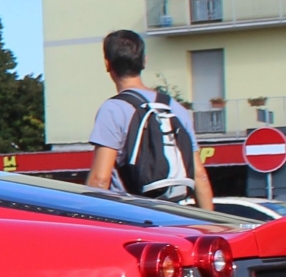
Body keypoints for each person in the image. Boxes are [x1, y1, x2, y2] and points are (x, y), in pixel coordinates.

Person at [85, 29, 213, 203]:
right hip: (172, 217)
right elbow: (200, 176)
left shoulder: (113, 109)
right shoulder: (176, 108)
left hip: (131, 217)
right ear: (144, 61)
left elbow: (100, 180)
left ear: (108, 64)